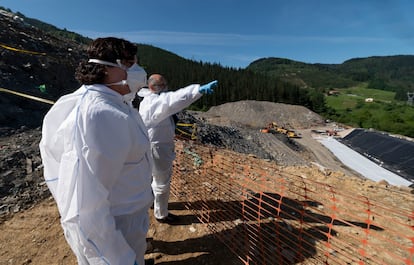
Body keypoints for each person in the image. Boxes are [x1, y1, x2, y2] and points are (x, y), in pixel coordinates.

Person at [39, 37, 152, 265]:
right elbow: (85, 206)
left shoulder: (116, 103)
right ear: (108, 69)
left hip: (130, 214)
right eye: (130, 64)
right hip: (116, 225)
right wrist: (117, 258)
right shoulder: (99, 114)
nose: (138, 70)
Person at [138, 74, 218, 223]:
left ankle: (150, 202)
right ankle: (161, 214)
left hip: (147, 144)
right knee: (162, 181)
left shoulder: (146, 100)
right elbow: (177, 98)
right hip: (158, 147)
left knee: (148, 176)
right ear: (153, 87)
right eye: (163, 85)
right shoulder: (158, 102)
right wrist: (198, 90)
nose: (166, 87)